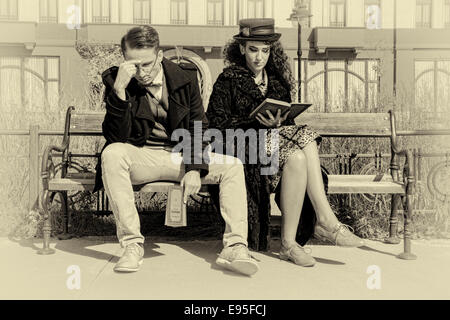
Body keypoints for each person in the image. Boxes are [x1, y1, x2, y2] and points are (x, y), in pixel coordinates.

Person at [94, 25, 258, 276]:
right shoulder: (118, 81)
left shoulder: (184, 78)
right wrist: (119, 92)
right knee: (112, 154)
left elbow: (198, 126)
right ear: (124, 59)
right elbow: (116, 138)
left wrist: (194, 168)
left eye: (147, 64)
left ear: (160, 56)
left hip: (179, 156)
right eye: (133, 64)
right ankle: (132, 246)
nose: (141, 72)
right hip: (142, 156)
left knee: (233, 166)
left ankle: (235, 247)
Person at [206, 18, 365, 267]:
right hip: (243, 148)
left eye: (265, 50)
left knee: (298, 154)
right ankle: (327, 221)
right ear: (241, 49)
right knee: (304, 138)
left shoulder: (277, 82)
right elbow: (215, 124)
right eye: (253, 49)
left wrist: (278, 122)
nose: (259, 57)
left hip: (273, 146)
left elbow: (287, 122)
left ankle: (289, 244)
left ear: (272, 51)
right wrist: (255, 121)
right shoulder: (228, 80)